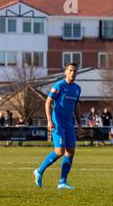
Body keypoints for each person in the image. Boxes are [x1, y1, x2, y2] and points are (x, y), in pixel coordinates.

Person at [33, 62, 82, 190]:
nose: (73, 73)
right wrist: (49, 120)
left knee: (70, 151)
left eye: (75, 71)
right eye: (70, 70)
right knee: (59, 151)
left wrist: (80, 123)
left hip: (69, 124)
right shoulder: (59, 86)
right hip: (58, 123)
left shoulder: (77, 88)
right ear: (65, 72)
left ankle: (62, 182)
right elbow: (48, 102)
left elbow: (76, 106)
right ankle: (39, 171)